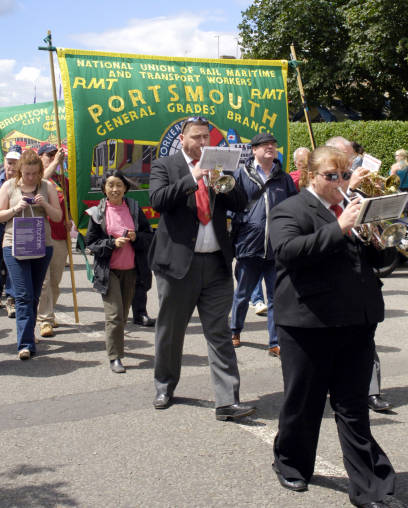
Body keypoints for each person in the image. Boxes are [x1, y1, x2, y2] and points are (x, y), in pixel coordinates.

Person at [269, 146, 395, 507]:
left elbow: (377, 259)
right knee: (303, 403)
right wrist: (340, 228)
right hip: (308, 323)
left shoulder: (354, 207)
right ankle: (291, 463)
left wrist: (380, 237)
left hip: (356, 320)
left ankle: (370, 486)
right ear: (311, 177)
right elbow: (289, 251)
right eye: (331, 176)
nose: (341, 182)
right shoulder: (289, 209)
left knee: (352, 405)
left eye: (344, 174)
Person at [149, 116, 254, 421]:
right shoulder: (165, 166)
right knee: (170, 331)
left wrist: (221, 184)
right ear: (182, 139)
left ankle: (227, 400)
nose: (203, 143)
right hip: (178, 265)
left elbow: (241, 201)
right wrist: (192, 178)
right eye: (197, 137)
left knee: (219, 332)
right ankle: (165, 385)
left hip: (216, 263)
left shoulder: (218, 166)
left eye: (207, 137)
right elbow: (157, 201)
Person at [326, 135, 392, 412]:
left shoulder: (364, 186)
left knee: (366, 338)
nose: (352, 166)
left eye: (352, 160)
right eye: (346, 161)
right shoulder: (318, 188)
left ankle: (371, 391)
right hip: (330, 278)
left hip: (363, 276)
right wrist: (347, 188)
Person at [230, 133, 297, 356]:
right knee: (242, 294)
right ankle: (235, 330)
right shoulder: (241, 174)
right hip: (250, 245)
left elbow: (293, 208)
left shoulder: (284, 178)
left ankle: (274, 342)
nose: (270, 147)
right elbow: (232, 207)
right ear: (254, 150)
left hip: (277, 247)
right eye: (265, 145)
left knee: (276, 298)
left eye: (273, 144)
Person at [85, 170, 153, 373]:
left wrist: (135, 237)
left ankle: (117, 344)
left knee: (122, 317)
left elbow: (149, 236)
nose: (115, 189)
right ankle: (115, 357)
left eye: (119, 185)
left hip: (131, 270)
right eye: (110, 185)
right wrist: (112, 243)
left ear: (125, 188)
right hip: (109, 271)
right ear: (104, 188)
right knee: (114, 316)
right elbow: (91, 244)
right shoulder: (97, 213)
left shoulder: (133, 208)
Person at [0, 149, 62, 359]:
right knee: (24, 295)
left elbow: (57, 216)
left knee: (34, 294)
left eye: (35, 173)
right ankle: (25, 344)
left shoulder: (47, 186)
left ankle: (28, 331)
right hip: (13, 245)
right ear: (20, 171)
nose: (32, 177)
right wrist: (16, 208)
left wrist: (44, 203)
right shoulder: (9, 186)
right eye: (27, 173)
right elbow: (0, 215)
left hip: (41, 244)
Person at [37, 144, 70, 337]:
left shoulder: (61, 179)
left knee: (55, 281)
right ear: (40, 157)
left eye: (54, 155)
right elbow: (39, 183)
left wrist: (70, 220)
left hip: (59, 235)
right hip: (41, 234)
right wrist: (55, 162)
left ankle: (49, 311)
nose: (52, 158)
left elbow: (68, 203)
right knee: (44, 281)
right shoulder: (36, 178)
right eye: (48, 155)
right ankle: (45, 320)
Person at [0, 145, 22, 317]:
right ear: (4, 162)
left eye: (16, 163)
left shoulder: (23, 183)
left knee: (12, 266)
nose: (12, 166)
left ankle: (11, 299)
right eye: (10, 162)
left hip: (14, 230)